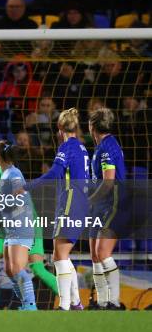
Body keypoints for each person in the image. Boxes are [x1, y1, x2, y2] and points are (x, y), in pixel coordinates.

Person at [0, 140, 58, 310]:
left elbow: (17, 200)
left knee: (36, 269)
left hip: (26, 225)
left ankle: (69, 300)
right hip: (6, 228)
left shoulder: (8, 173)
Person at [21, 108, 89, 311]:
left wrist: (28, 186)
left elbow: (55, 172)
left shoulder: (66, 147)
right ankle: (75, 303)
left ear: (60, 129)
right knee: (62, 255)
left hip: (70, 202)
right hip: (79, 203)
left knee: (59, 256)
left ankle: (66, 305)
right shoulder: (83, 148)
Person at [88, 108, 126, 310]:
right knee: (94, 255)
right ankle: (102, 302)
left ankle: (114, 302)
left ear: (92, 126)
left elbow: (109, 181)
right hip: (100, 205)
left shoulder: (107, 147)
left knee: (102, 253)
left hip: (113, 204)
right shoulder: (102, 146)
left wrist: (90, 200)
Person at [0, 140, 38, 310]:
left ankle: (31, 306)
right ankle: (24, 304)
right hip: (10, 228)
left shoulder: (14, 173)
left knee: (17, 268)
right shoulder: (5, 174)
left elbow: (19, 198)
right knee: (10, 270)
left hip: (21, 226)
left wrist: (0, 203)